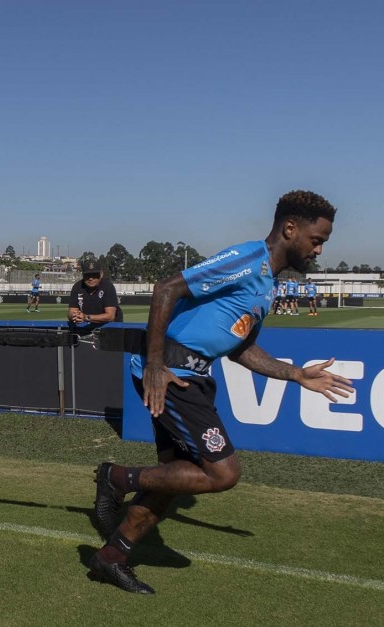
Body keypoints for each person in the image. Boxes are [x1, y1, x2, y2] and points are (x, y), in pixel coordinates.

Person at [89, 190, 353, 594]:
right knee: (223, 472)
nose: (319, 250)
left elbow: (242, 349)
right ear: (289, 229)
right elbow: (165, 289)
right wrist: (157, 367)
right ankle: (116, 477)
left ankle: (112, 556)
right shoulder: (249, 259)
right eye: (316, 240)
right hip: (172, 375)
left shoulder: (268, 286)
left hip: (193, 377)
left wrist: (297, 374)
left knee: (174, 479)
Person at [68, 261, 122, 332]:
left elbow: (110, 316)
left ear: (101, 274)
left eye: (94, 275)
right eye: (87, 275)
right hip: (86, 329)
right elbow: (71, 312)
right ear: (83, 275)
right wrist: (75, 316)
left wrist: (86, 317)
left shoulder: (108, 286)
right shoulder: (77, 287)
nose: (91, 278)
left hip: (110, 329)